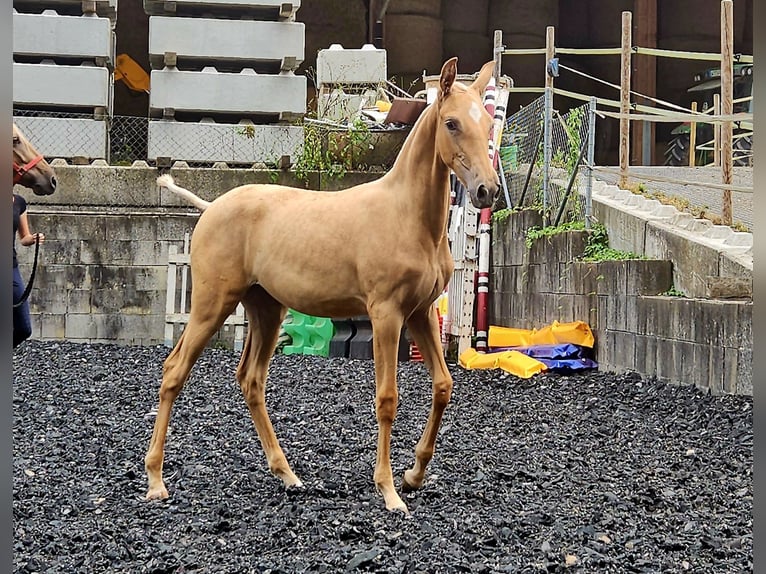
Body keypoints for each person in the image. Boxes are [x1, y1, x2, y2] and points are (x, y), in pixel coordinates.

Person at [13, 192, 44, 348]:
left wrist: (33, 239)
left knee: (24, 328)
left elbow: (24, 237)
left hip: (10, 268)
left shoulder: (18, 202)